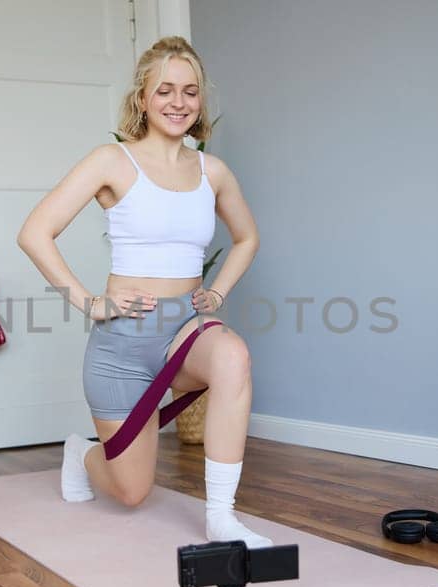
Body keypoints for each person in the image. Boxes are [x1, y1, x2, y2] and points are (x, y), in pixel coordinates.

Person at [15, 36, 271, 548]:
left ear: (200, 101)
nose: (178, 102)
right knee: (132, 492)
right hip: (123, 345)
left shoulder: (211, 172)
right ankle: (81, 455)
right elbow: (34, 232)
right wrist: (89, 301)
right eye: (165, 90)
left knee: (234, 357)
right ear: (142, 99)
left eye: (190, 91)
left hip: (186, 329)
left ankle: (222, 517)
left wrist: (216, 294)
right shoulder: (112, 161)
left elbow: (247, 237)